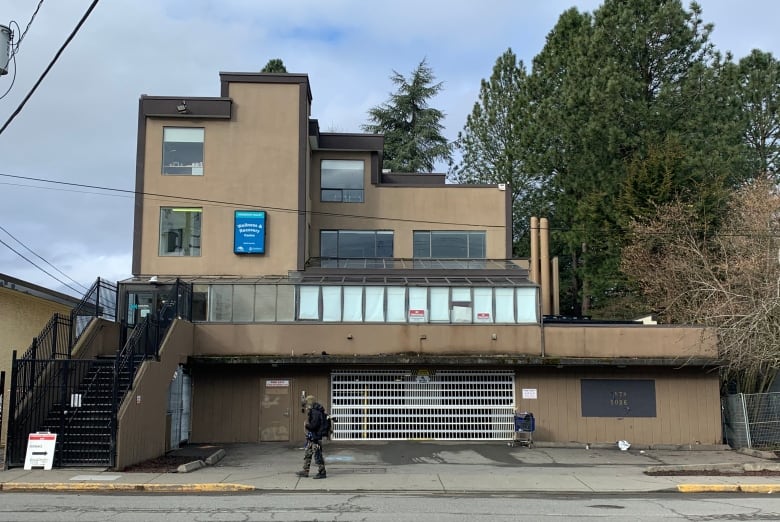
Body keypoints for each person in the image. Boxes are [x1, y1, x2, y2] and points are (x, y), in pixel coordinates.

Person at [295, 395, 327, 479]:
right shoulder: (313, 411)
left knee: (317, 454)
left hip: (316, 437)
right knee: (308, 453)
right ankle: (305, 471)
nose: (305, 406)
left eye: (306, 403)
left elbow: (314, 425)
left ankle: (322, 472)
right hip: (312, 436)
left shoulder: (315, 412)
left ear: (309, 403)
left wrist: (307, 425)